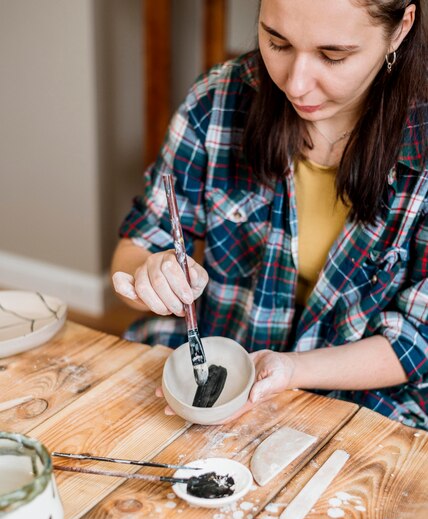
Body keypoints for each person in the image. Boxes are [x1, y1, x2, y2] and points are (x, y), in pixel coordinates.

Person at [111, 0, 427, 429]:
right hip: (226, 360)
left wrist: (293, 370)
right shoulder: (218, 101)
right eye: (277, 43)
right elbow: (136, 249)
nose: (295, 85)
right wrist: (151, 275)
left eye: (333, 56)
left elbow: (418, 339)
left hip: (366, 397)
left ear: (400, 28)